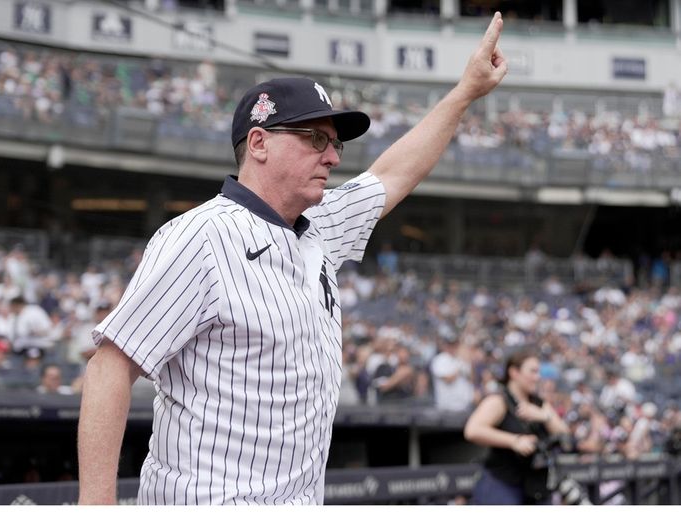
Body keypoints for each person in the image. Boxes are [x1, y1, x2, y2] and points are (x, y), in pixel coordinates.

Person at [78, 12, 507, 505]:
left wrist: (466, 92)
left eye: (335, 143)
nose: (333, 157)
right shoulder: (201, 236)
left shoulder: (319, 226)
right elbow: (109, 370)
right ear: (258, 143)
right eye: (315, 140)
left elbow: (391, 174)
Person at [464, 347, 569, 505]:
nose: (537, 377)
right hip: (502, 483)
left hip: (536, 485)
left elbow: (565, 434)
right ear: (514, 372)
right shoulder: (499, 400)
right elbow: (472, 430)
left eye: (538, 372)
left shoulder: (538, 403)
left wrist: (544, 416)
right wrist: (514, 440)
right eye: (532, 372)